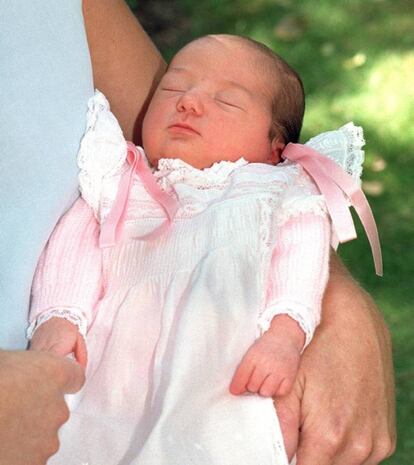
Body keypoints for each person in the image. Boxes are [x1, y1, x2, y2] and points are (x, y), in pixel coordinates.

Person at [0, 1, 395, 464]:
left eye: (226, 100)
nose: (187, 101)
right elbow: (74, 248)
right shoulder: (117, 184)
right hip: (105, 375)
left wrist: (289, 331)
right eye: (173, 87)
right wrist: (59, 317)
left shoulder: (277, 192)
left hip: (224, 371)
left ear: (276, 148)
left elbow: (299, 254)